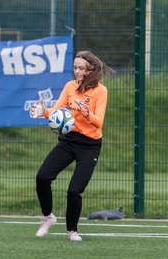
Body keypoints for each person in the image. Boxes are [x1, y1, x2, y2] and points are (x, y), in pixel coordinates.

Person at [30, 50, 113, 241]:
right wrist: (43, 112)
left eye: (81, 68)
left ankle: (72, 231)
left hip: (90, 145)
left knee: (74, 190)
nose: (77, 71)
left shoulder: (101, 91)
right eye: (75, 67)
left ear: (91, 69)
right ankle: (48, 217)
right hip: (69, 140)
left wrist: (86, 113)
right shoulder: (70, 87)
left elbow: (98, 122)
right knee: (42, 177)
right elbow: (57, 111)